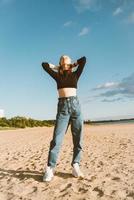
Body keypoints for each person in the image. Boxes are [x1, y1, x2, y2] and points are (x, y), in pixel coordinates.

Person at [41, 55, 86, 182]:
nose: (66, 66)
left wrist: (73, 64)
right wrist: (57, 67)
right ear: (60, 64)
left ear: (71, 65)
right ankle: (50, 168)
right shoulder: (57, 76)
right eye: (63, 63)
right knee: (56, 140)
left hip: (76, 108)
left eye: (68, 63)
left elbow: (84, 60)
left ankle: (75, 165)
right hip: (63, 109)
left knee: (78, 139)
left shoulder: (76, 74)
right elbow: (44, 64)